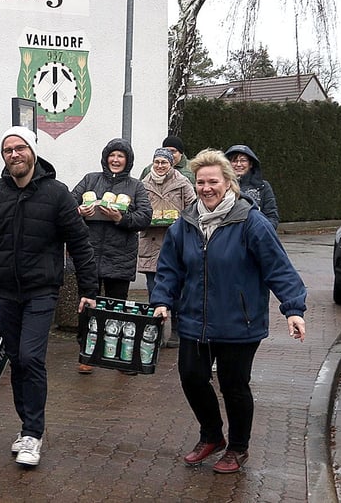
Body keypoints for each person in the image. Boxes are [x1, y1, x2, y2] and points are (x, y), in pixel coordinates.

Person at [149, 148, 307, 475]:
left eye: (214, 181)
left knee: (234, 386)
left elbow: (278, 268)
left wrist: (293, 309)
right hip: (194, 318)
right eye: (202, 182)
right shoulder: (186, 223)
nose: (207, 188)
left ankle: (237, 447)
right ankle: (211, 436)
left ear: (229, 183)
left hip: (239, 321)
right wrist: (162, 299)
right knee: (192, 377)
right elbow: (169, 269)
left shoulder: (251, 222)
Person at [0, 126, 98, 468]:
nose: (14, 154)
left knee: (30, 357)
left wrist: (89, 290)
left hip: (42, 291)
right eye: (7, 149)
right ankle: (26, 427)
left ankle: (33, 433)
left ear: (33, 152)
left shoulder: (57, 194)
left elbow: (81, 244)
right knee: (15, 359)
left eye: (20, 148)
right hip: (5, 293)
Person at [70, 138, 153, 374]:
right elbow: (66, 205)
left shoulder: (136, 186)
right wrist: (79, 211)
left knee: (117, 308)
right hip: (89, 253)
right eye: (112, 156)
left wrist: (121, 219)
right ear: (106, 158)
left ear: (128, 161)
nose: (115, 160)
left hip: (120, 255)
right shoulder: (90, 179)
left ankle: (120, 357)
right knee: (88, 305)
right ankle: (86, 355)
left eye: (121, 156)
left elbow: (145, 216)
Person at [138, 147, 196, 348]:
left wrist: (179, 220)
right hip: (150, 243)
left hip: (176, 242)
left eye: (164, 162)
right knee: (154, 291)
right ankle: (156, 333)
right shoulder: (143, 185)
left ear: (171, 164)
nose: (160, 166)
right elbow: (137, 211)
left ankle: (177, 332)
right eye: (157, 162)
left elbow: (194, 207)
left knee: (178, 291)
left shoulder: (182, 182)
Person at [225, 145, 280, 229]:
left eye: (243, 160)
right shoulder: (220, 186)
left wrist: (263, 233)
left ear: (250, 164)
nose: (239, 164)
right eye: (234, 161)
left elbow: (271, 216)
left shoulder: (263, 186)